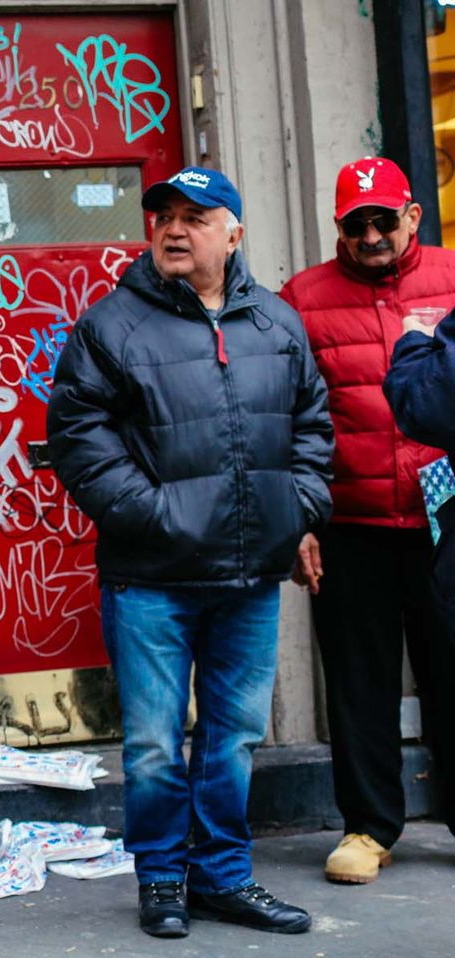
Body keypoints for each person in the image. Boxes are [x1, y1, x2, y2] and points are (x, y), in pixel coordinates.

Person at [48, 166, 333, 940]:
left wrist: (298, 507)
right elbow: (76, 436)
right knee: (151, 742)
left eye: (196, 217)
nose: (175, 230)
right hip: (151, 575)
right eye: (164, 216)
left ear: (233, 233)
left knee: (233, 735)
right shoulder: (113, 325)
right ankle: (164, 878)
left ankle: (223, 877)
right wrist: (154, 515)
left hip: (251, 574)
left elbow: (313, 424)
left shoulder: (276, 322)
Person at [278, 157, 455, 885]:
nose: (374, 235)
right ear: (340, 229)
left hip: (448, 520)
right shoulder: (303, 298)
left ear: (413, 216)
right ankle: (369, 827)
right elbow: (282, 414)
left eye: (386, 219)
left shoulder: (452, 276)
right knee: (359, 681)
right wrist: (299, 520)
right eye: (359, 224)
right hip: (350, 518)